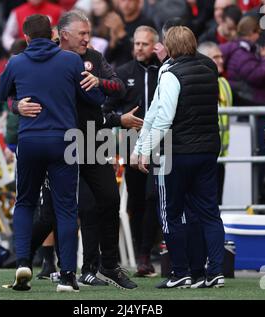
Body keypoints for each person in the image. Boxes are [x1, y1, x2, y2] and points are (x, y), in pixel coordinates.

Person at [17, 10, 138, 290]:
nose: (87, 38)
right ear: (64, 35)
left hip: (94, 141)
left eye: (88, 33)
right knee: (71, 208)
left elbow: (118, 88)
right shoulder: (49, 59)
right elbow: (16, 96)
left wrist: (100, 82)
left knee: (108, 199)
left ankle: (108, 265)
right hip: (61, 144)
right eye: (82, 33)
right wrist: (17, 106)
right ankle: (38, 262)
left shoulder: (94, 58)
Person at [0, 14, 105, 293]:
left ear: (26, 38)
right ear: (53, 35)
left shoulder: (16, 62)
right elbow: (93, 96)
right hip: (64, 141)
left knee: (25, 203)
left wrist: (17, 105)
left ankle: (23, 261)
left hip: (30, 140)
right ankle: (68, 275)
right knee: (66, 207)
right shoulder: (70, 61)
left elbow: (0, 94)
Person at [131, 26, 225, 289]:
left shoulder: (170, 72)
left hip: (178, 152)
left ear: (169, 47)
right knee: (207, 213)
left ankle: (180, 271)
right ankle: (211, 271)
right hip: (207, 150)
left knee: (171, 213)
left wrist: (143, 148)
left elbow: (160, 117)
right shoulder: (209, 68)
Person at [103, 25, 162, 277]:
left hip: (162, 145)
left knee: (154, 198)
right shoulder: (123, 72)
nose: (139, 48)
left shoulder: (165, 70)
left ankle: (147, 252)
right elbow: (107, 110)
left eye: (144, 44)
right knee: (137, 202)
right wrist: (121, 119)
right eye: (136, 43)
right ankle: (142, 254)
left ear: (155, 45)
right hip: (132, 145)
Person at [198, 41, 233, 204]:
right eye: (215, 57)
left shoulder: (224, 83)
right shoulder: (197, 83)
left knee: (216, 203)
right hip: (203, 154)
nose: (220, 60)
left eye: (221, 56)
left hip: (220, 157)